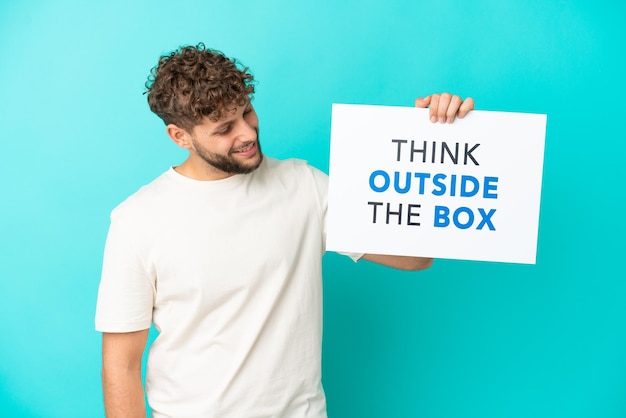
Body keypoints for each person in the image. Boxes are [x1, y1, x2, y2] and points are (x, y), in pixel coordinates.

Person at [95, 42, 474, 418]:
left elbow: (415, 257)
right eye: (225, 128)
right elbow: (121, 365)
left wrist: (434, 140)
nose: (247, 133)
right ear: (180, 137)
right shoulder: (138, 220)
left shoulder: (304, 186)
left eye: (247, 112)